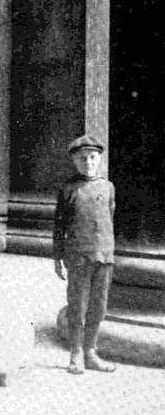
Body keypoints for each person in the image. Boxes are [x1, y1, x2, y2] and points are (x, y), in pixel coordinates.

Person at [53, 135, 117, 374]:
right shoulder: (68, 189)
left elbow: (109, 219)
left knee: (98, 306)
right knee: (77, 306)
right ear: (74, 161)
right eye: (82, 158)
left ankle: (91, 352)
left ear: (99, 159)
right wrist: (57, 257)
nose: (88, 162)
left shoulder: (108, 187)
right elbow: (59, 226)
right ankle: (76, 353)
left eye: (92, 157)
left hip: (104, 255)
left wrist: (108, 249)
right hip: (78, 256)